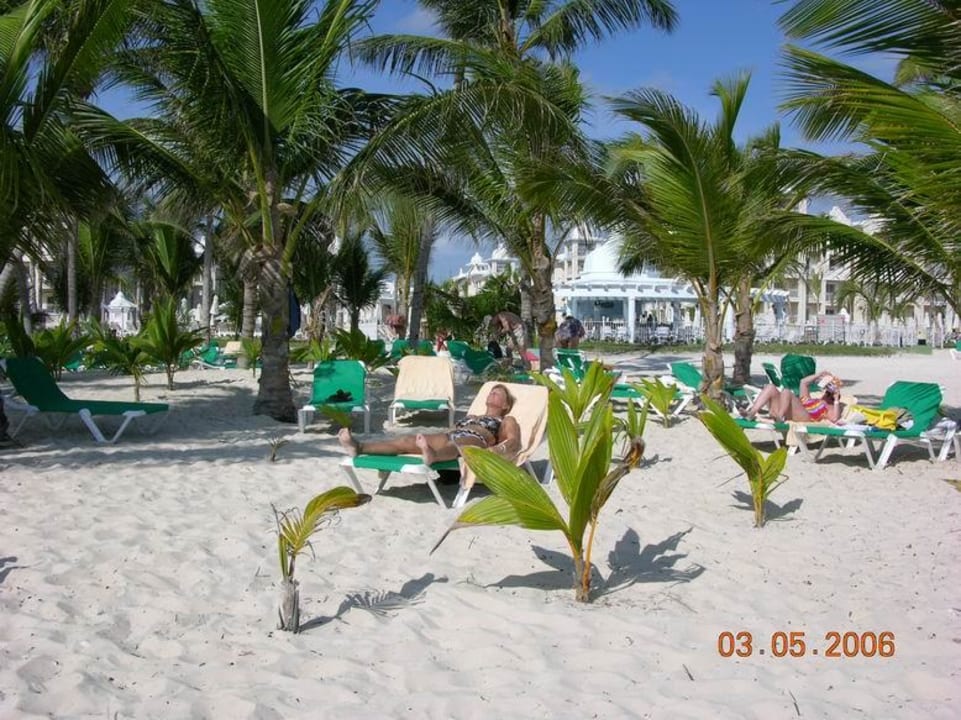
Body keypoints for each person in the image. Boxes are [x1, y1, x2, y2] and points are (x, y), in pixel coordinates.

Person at [338, 384, 521, 465]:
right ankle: (358, 447)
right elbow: (454, 430)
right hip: (452, 434)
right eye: (491, 391)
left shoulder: (506, 420)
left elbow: (513, 441)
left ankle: (433, 455)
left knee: (455, 445)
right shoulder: (473, 415)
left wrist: (497, 451)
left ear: (505, 405)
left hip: (477, 440)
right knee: (407, 441)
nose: (492, 394)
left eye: (497, 393)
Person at [740, 370, 845, 424]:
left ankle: (780, 417)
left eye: (829, 395)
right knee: (770, 387)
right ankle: (751, 413)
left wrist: (835, 399)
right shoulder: (811, 400)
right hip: (791, 411)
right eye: (827, 393)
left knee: (786, 392)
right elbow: (803, 382)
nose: (826, 395)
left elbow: (835, 419)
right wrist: (818, 375)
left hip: (806, 418)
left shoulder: (830, 407)